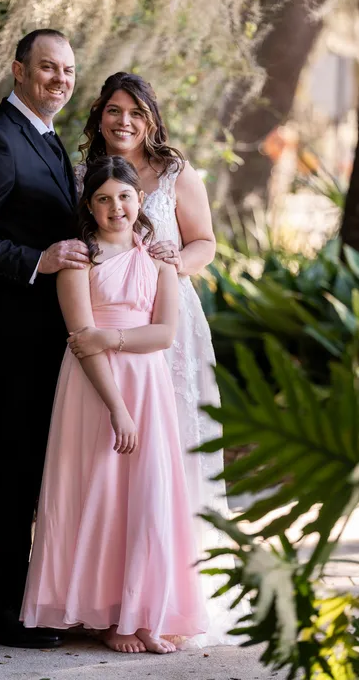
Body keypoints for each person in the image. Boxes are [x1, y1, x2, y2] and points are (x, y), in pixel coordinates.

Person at [20, 156, 208, 653]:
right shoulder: (79, 261)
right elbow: (82, 341)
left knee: (147, 498)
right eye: (103, 198)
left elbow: (165, 333)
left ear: (139, 200)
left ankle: (144, 611)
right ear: (90, 205)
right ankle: (109, 617)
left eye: (124, 196)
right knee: (102, 494)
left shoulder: (160, 260)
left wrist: (113, 336)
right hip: (95, 389)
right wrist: (116, 408)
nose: (115, 207)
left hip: (148, 386)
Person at [0, 29, 90, 648]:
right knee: (11, 465)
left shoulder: (47, 137)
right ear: (18, 70)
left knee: (32, 465)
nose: (59, 79)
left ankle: (25, 593)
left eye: (68, 70)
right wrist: (37, 260)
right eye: (48, 68)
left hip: (43, 332)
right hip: (9, 329)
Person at [75, 73, 236, 646]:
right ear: (99, 115)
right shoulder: (85, 176)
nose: (124, 122)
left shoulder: (174, 172)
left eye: (135, 112)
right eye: (114, 110)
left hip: (170, 322)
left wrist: (177, 259)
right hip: (112, 324)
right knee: (117, 459)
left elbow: (207, 242)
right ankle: (114, 594)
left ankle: (170, 594)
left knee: (172, 456)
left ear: (151, 119)